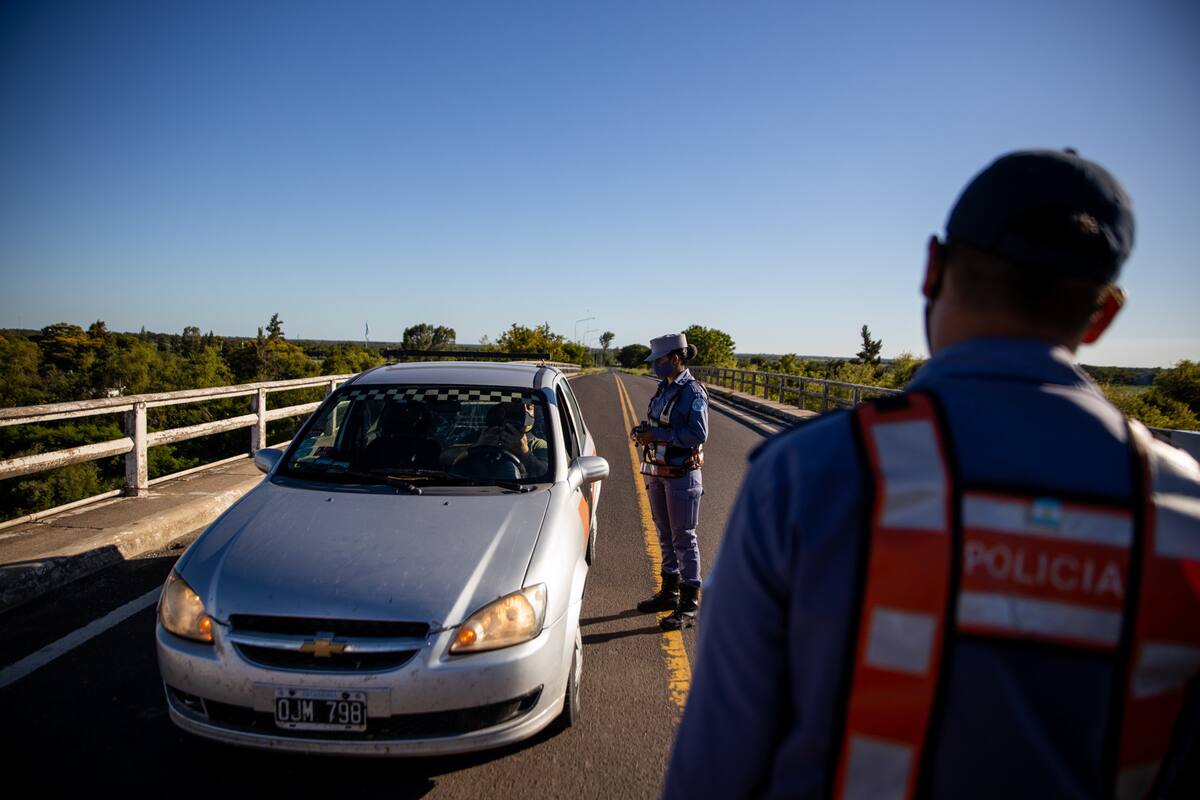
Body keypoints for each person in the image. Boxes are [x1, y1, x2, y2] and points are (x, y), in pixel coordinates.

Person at [664, 150, 1200, 799]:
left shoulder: (813, 475)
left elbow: (719, 762)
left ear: (932, 267)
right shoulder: (1181, 513)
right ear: (1105, 313)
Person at [632, 333, 710, 630]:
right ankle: (669, 592)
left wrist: (659, 436)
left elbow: (698, 435)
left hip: (681, 475)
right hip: (658, 472)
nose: (655, 367)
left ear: (675, 359)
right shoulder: (663, 388)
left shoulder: (693, 392)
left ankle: (689, 604)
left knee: (683, 537)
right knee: (664, 533)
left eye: (659, 361)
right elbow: (657, 423)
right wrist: (643, 432)